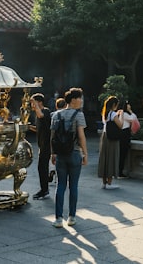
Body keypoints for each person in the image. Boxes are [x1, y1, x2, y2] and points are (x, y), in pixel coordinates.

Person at [51, 87, 87, 228]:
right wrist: (85, 154)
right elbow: (81, 136)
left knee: (60, 186)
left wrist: (53, 153)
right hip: (74, 153)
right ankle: (71, 217)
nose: (81, 100)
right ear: (73, 100)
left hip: (60, 154)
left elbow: (52, 136)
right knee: (73, 186)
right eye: (80, 98)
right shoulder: (79, 115)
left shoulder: (56, 115)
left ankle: (58, 218)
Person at [98, 95, 123, 190]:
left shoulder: (105, 113)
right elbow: (120, 125)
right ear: (114, 104)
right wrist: (121, 115)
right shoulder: (113, 114)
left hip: (105, 137)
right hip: (112, 138)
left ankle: (104, 182)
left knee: (105, 158)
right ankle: (109, 182)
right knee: (112, 158)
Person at [30, 93, 51, 200]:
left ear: (40, 102)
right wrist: (28, 127)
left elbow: (41, 116)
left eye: (34, 103)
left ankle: (44, 190)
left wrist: (34, 104)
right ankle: (44, 188)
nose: (32, 105)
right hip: (41, 144)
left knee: (42, 168)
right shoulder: (37, 114)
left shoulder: (45, 111)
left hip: (47, 145)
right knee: (41, 168)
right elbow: (38, 129)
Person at [118, 102, 138, 177]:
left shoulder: (123, 113)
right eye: (128, 105)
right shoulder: (125, 114)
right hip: (124, 133)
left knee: (122, 154)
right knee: (122, 153)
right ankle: (120, 171)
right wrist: (131, 112)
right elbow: (133, 119)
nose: (130, 106)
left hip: (125, 133)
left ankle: (120, 170)